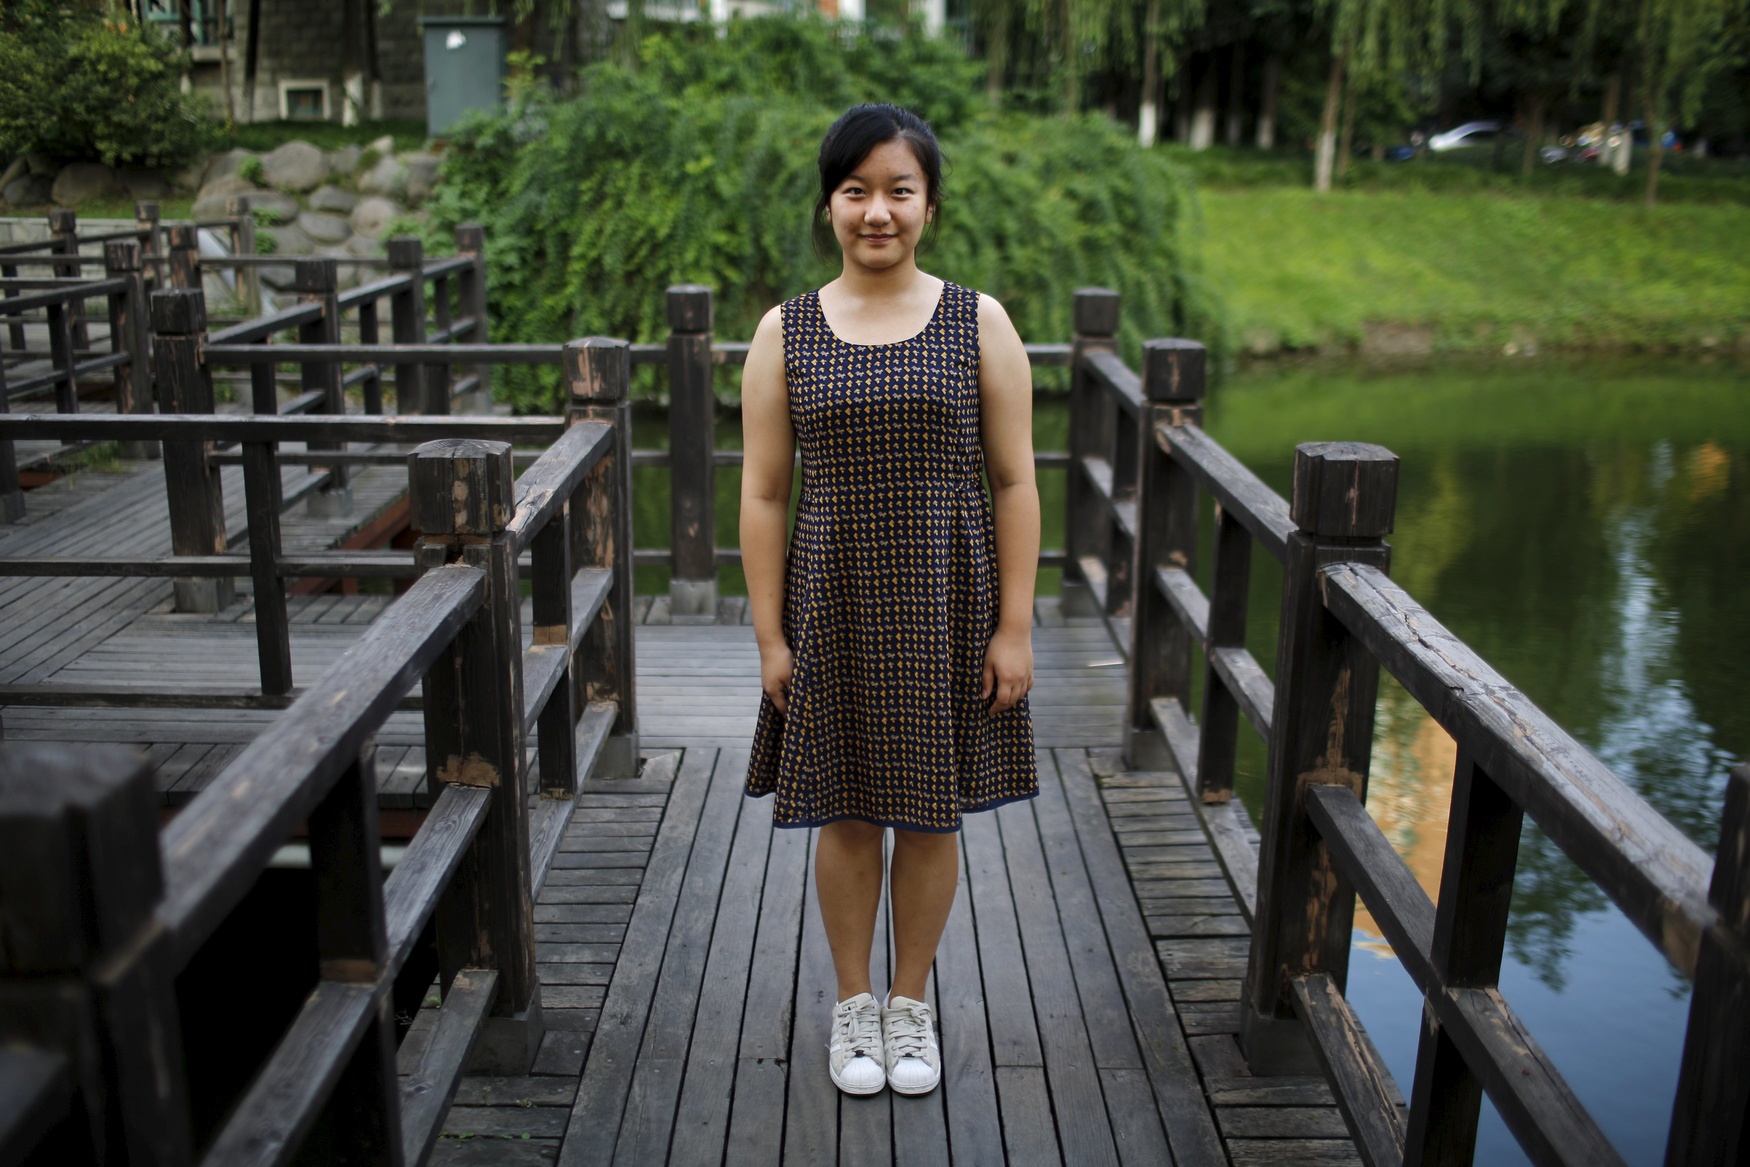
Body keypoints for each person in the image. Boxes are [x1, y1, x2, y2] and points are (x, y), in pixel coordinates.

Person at [740, 103, 1041, 1098]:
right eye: (856, 190)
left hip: (949, 602)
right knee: (844, 814)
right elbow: (763, 493)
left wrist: (1014, 624)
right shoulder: (783, 330)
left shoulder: (978, 320)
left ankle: (909, 1006)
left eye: (898, 191)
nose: (878, 212)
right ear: (829, 203)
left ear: (928, 204)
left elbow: (1014, 481)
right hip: (834, 603)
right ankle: (851, 1004)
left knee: (932, 817)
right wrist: (769, 636)